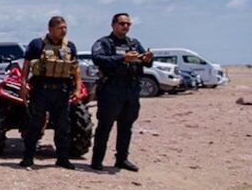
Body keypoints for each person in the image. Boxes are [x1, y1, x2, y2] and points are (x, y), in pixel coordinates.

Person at [89, 13, 153, 171]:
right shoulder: (104, 42)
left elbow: (147, 62)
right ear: (113, 25)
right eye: (122, 24)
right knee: (105, 126)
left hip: (130, 90)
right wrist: (122, 59)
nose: (125, 27)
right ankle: (97, 161)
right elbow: (97, 58)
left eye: (128, 24)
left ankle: (122, 159)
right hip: (111, 89)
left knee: (126, 126)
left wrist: (147, 59)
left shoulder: (134, 43)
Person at [20, 15, 81, 169]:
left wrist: (78, 88)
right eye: (60, 28)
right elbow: (26, 65)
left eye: (65, 27)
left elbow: (76, 69)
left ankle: (63, 159)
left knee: (63, 127)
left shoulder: (70, 46)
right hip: (41, 90)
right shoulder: (37, 44)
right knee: (35, 125)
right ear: (51, 29)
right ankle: (28, 157)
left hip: (61, 91)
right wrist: (23, 84)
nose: (64, 31)